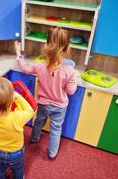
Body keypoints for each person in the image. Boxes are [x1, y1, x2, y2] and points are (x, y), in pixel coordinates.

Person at [15, 27, 78, 159]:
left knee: (39, 122)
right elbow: (71, 91)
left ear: (46, 45)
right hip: (60, 106)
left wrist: (19, 55)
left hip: (43, 103)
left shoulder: (39, 66)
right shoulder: (70, 70)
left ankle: (34, 138)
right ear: (67, 48)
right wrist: (74, 78)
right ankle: (52, 152)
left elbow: (25, 68)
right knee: (56, 129)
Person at [0, 77, 34, 179]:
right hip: (15, 153)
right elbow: (30, 110)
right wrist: (18, 97)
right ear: (11, 101)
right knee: (18, 170)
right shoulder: (17, 117)